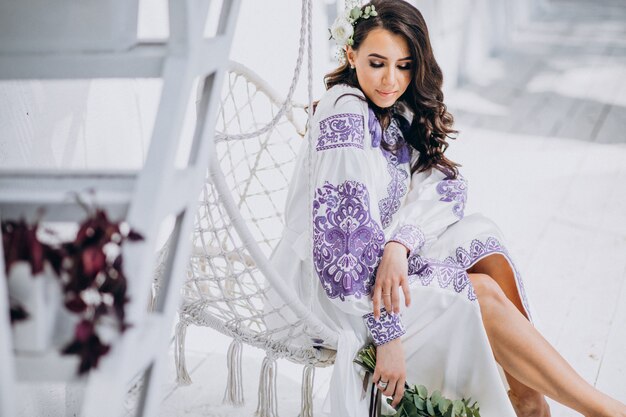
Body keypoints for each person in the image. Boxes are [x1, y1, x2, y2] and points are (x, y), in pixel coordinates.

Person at [269, 1, 626, 416]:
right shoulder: (346, 114)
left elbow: (444, 184)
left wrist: (400, 244)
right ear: (350, 55)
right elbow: (342, 259)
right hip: (330, 297)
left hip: (375, 264)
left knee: (480, 235)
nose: (391, 79)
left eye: (404, 65)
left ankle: (530, 400)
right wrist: (388, 336)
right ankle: (604, 411)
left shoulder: (388, 107)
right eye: (377, 62)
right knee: (483, 294)